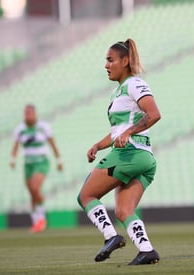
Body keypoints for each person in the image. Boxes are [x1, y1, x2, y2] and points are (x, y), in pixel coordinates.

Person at [77, 38, 161, 265]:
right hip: (142, 158)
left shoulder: (135, 84)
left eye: (110, 60)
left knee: (86, 195)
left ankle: (111, 236)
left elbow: (153, 114)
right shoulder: (118, 92)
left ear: (125, 61)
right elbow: (118, 132)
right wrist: (98, 145)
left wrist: (129, 133)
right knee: (124, 211)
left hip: (129, 154)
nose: (106, 65)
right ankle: (146, 251)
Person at [10, 105, 63, 233]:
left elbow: (52, 143)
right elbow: (16, 145)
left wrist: (59, 160)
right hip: (28, 164)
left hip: (41, 162)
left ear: (35, 114)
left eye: (30, 113)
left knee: (35, 188)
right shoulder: (20, 129)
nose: (28, 115)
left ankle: (42, 218)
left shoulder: (43, 127)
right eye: (26, 113)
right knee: (32, 193)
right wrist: (13, 159)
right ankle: (36, 222)